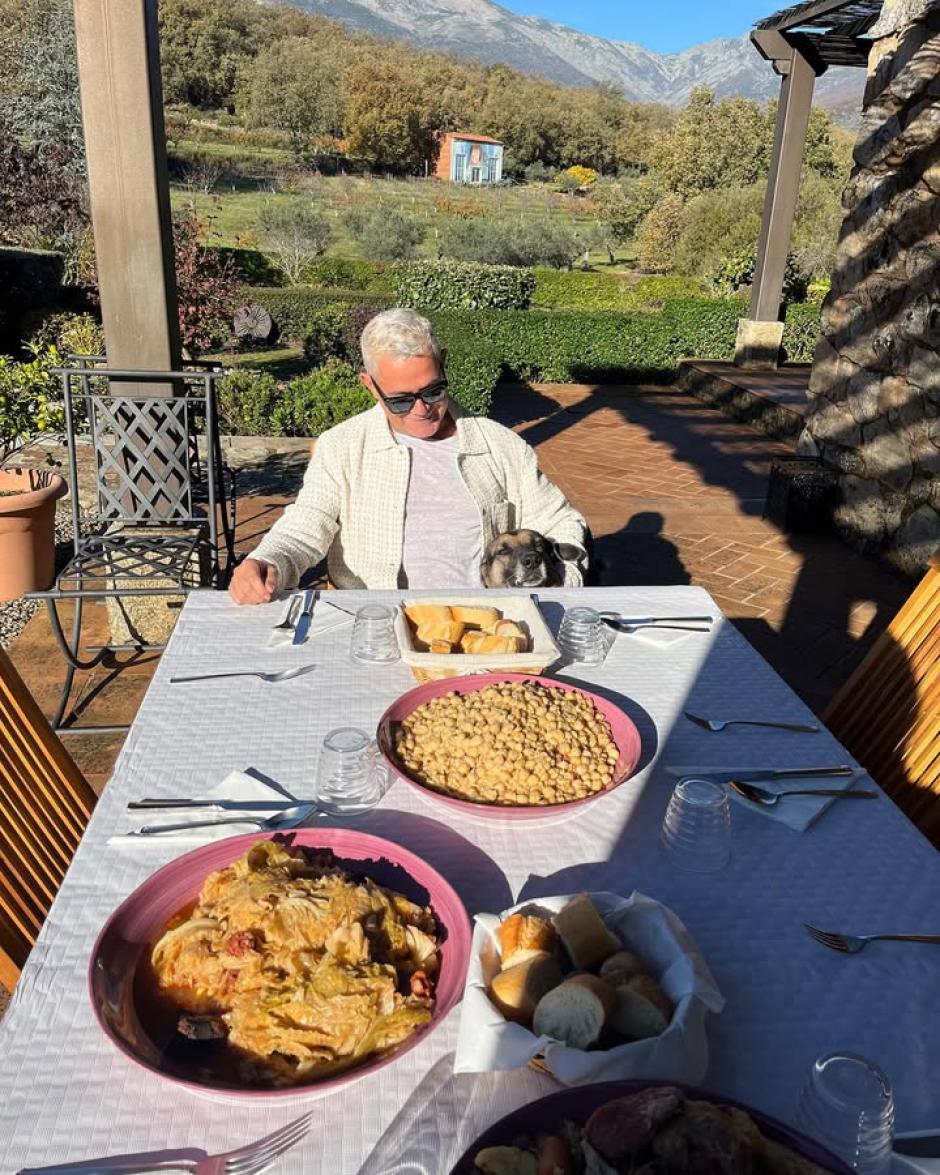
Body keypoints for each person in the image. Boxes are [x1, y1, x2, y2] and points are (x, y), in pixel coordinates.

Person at [229, 308, 587, 603]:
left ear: (444, 364)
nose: (422, 410)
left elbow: (561, 522)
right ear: (370, 386)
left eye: (433, 391)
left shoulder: (500, 446)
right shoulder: (343, 445)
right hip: (375, 619)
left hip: (486, 622)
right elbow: (306, 525)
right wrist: (268, 560)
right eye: (400, 400)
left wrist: (560, 584)